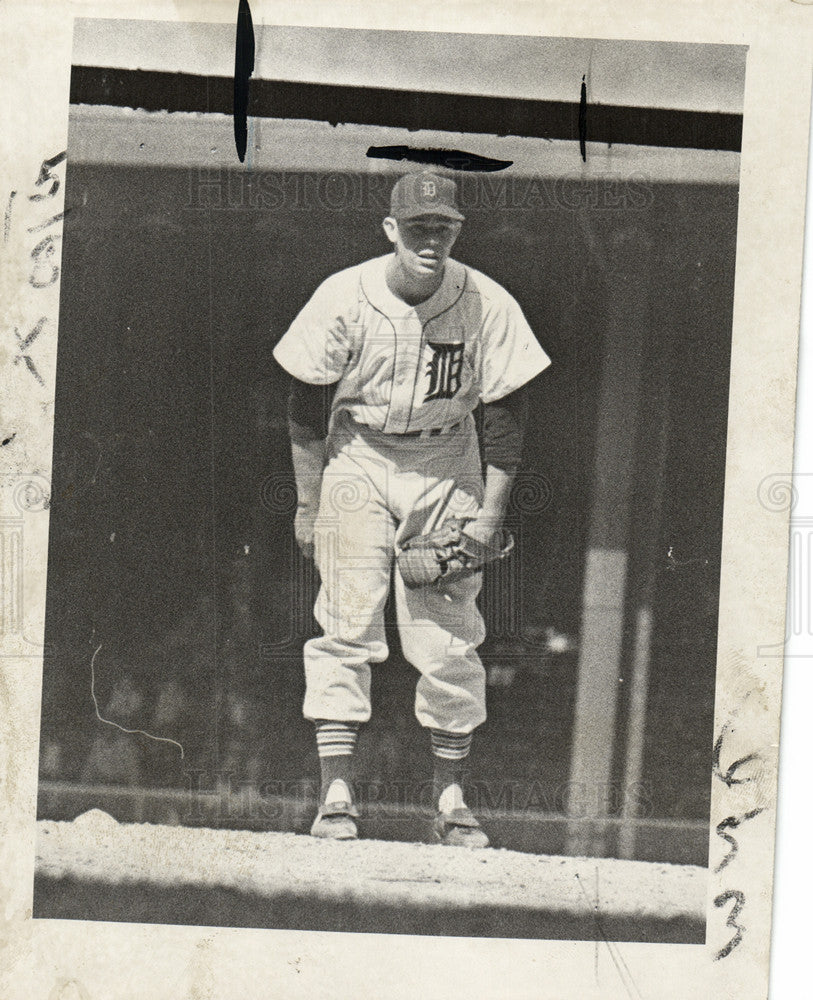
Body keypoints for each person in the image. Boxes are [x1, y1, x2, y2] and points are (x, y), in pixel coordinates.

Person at [273, 171, 551, 847]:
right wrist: (309, 502)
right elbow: (305, 406)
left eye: (444, 228)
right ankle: (335, 791)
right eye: (419, 227)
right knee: (346, 619)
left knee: (449, 633)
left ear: (457, 231)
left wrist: (486, 518)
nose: (432, 240)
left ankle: (449, 799)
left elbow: (506, 415)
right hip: (358, 455)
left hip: (445, 456)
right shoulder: (343, 296)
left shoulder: (486, 301)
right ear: (391, 229)